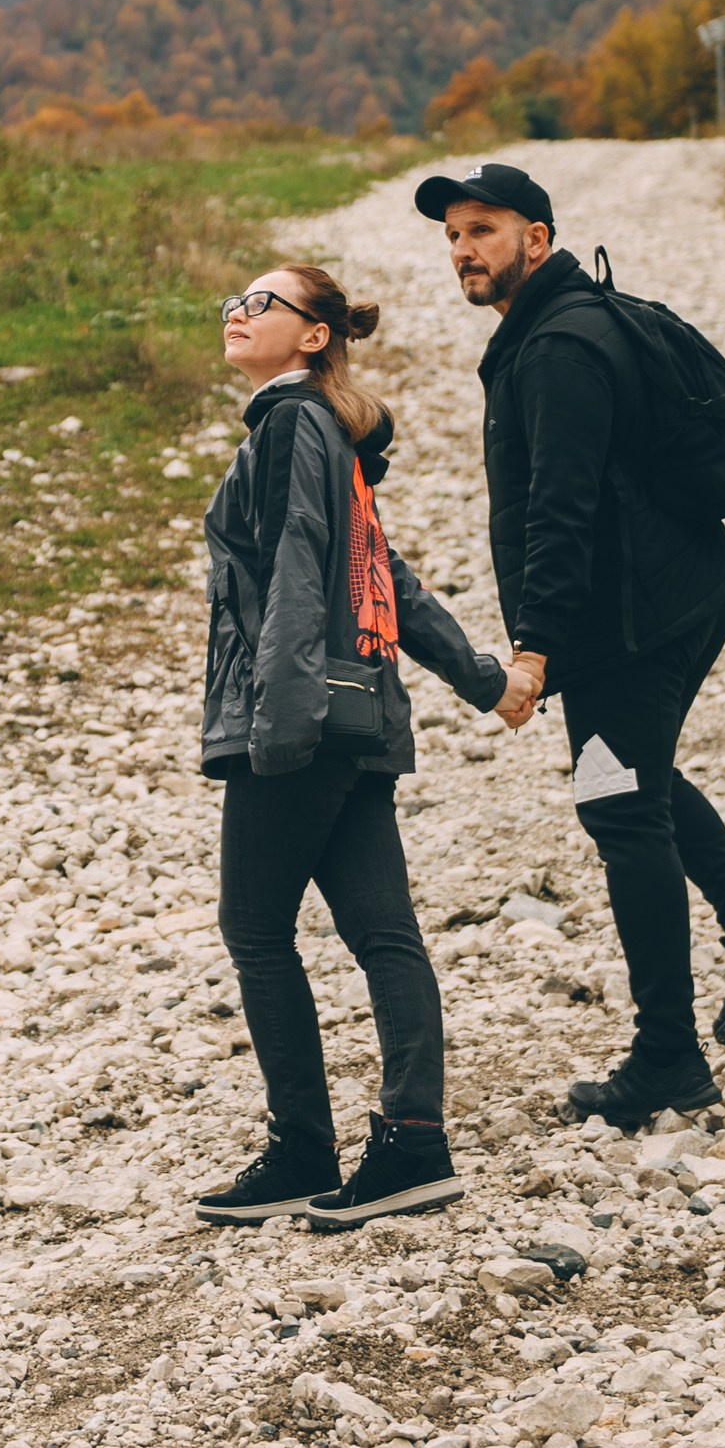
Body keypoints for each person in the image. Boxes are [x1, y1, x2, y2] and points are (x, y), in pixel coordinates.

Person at [415, 161, 725, 1134]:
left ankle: (670, 1056)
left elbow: (562, 505)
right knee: (634, 781)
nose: (465, 249)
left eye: (485, 230)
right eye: (456, 233)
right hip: (662, 600)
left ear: (536, 238)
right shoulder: (562, 323)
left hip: (636, 619)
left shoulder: (558, 345)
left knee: (620, 804)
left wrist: (534, 648)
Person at [195, 262, 510, 1229]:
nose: (238, 315)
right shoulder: (328, 434)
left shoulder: (292, 424)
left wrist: (274, 726)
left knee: (255, 931)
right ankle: (413, 1144)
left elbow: (295, 569)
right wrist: (483, 678)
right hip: (359, 712)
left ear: (314, 334)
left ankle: (300, 1151)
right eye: (233, 304)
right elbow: (388, 576)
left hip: (298, 719)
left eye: (262, 304)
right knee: (384, 935)